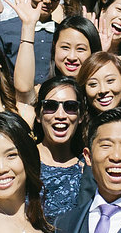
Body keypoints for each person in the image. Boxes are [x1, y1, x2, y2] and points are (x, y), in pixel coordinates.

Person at [33, 75, 89, 223]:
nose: (60, 115)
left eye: (70, 107)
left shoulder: (88, 168)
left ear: (80, 115)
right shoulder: (22, 160)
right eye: (51, 106)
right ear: (38, 114)